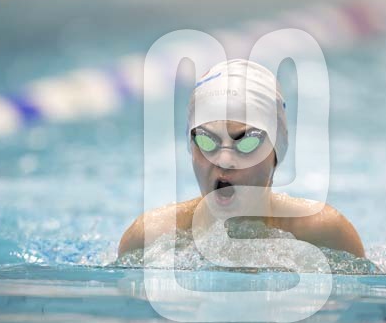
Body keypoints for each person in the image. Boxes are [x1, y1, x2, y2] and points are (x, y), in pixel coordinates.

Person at [118, 59, 365, 258]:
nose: (224, 160)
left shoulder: (324, 235)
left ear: (276, 153)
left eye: (246, 143)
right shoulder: (150, 238)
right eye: (206, 141)